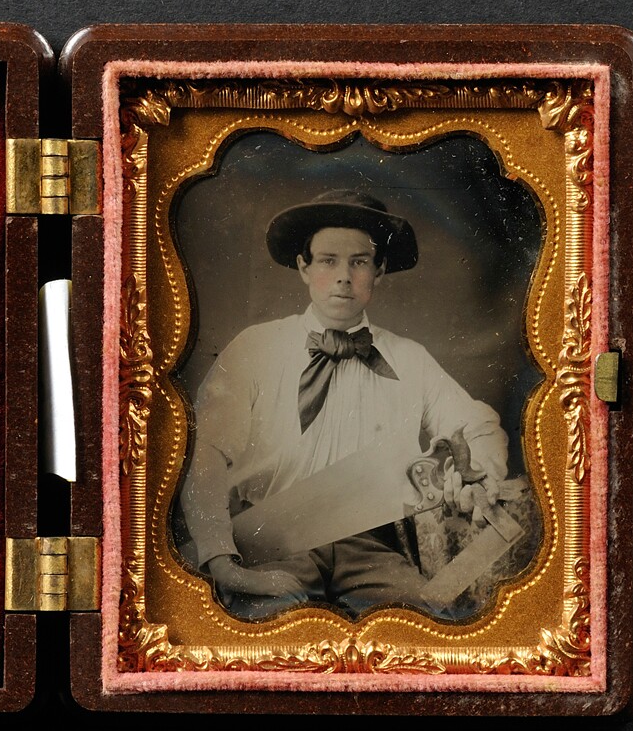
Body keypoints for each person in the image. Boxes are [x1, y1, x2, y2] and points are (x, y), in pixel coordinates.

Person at [179, 190, 509, 619]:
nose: (343, 277)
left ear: (380, 270)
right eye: (328, 260)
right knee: (268, 636)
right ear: (303, 267)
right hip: (268, 543)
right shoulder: (255, 348)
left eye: (359, 262)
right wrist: (223, 562)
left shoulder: (410, 358)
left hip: (372, 549)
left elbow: (479, 425)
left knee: (420, 633)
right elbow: (203, 455)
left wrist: (475, 475)